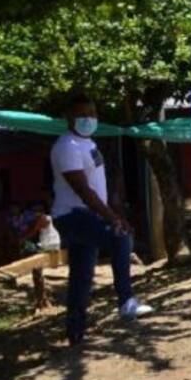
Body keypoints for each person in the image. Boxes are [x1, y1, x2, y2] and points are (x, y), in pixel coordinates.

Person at [51, 93, 152, 346]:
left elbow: (99, 185)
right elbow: (83, 190)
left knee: (82, 274)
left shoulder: (88, 143)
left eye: (93, 113)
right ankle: (126, 301)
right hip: (73, 215)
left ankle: (75, 332)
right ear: (69, 117)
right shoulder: (67, 147)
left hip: (88, 215)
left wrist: (114, 213)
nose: (89, 119)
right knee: (120, 239)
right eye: (83, 114)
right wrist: (112, 219)